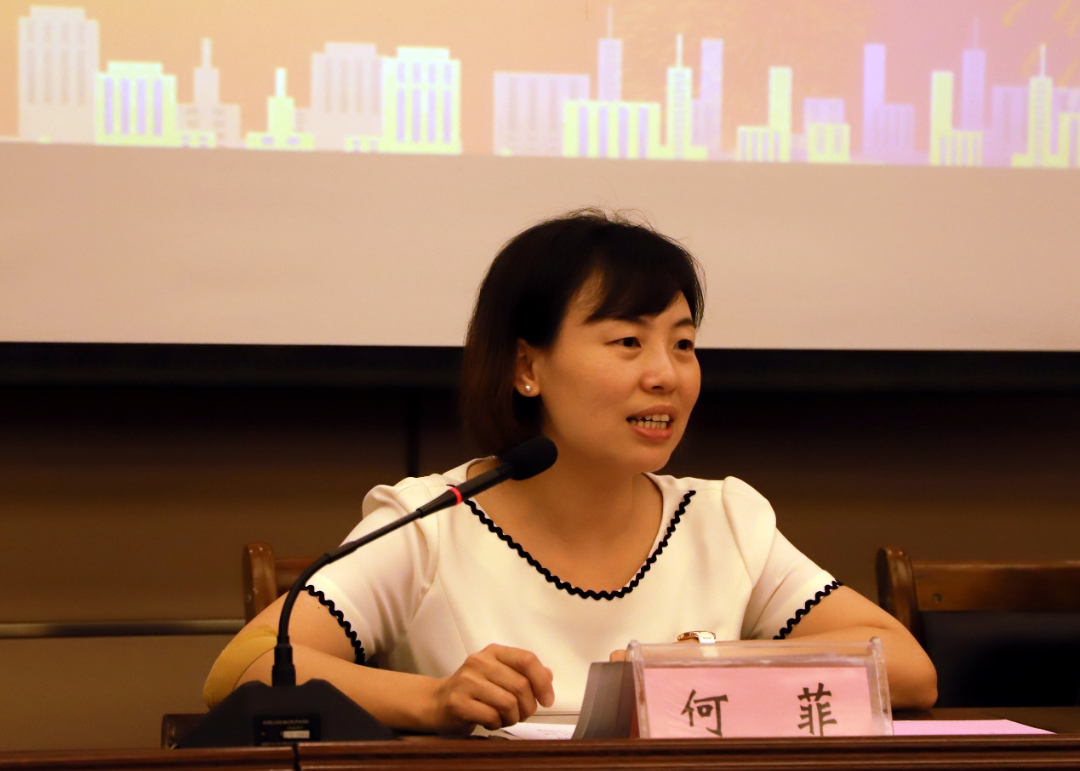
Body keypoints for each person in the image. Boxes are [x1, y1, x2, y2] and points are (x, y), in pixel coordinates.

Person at [203, 209, 937, 732]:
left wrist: (703, 665)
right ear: (527, 366)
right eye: (628, 342)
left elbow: (907, 668)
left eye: (683, 344)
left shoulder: (721, 520)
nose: (666, 374)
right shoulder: (435, 523)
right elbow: (244, 666)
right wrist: (432, 699)